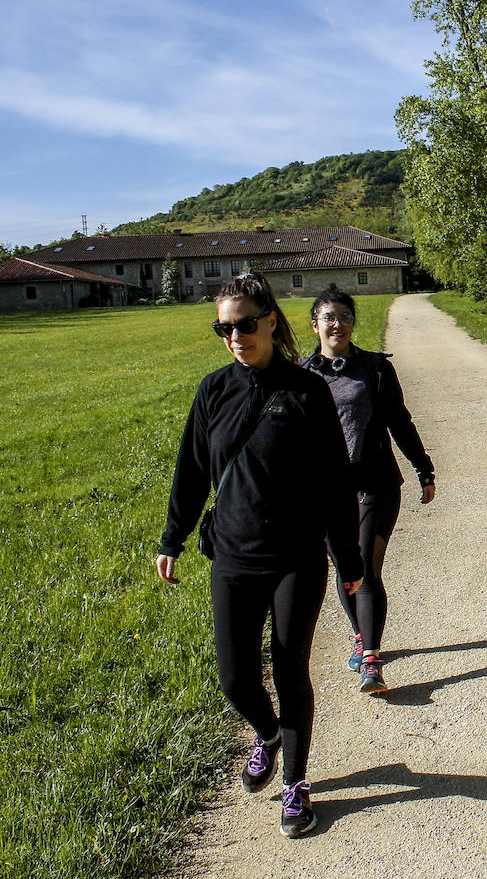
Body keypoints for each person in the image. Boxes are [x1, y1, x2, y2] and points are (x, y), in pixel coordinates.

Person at [155, 272, 361, 840]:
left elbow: (335, 484)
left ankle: (296, 782)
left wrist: (349, 560)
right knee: (234, 679)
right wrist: (172, 539)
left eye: (244, 324)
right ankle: (267, 735)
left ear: (270, 320)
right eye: (223, 328)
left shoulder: (306, 391)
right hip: (233, 554)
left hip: (296, 555)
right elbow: (192, 470)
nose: (234, 336)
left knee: (289, 668)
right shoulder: (213, 390)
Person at [301, 284, 436, 693]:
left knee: (364, 566)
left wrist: (423, 468)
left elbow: (400, 421)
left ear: (353, 323)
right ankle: (361, 636)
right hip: (325, 490)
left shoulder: (376, 369)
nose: (336, 324)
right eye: (328, 317)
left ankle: (372, 659)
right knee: (346, 571)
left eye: (343, 316)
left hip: (375, 483)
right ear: (315, 326)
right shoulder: (301, 374)